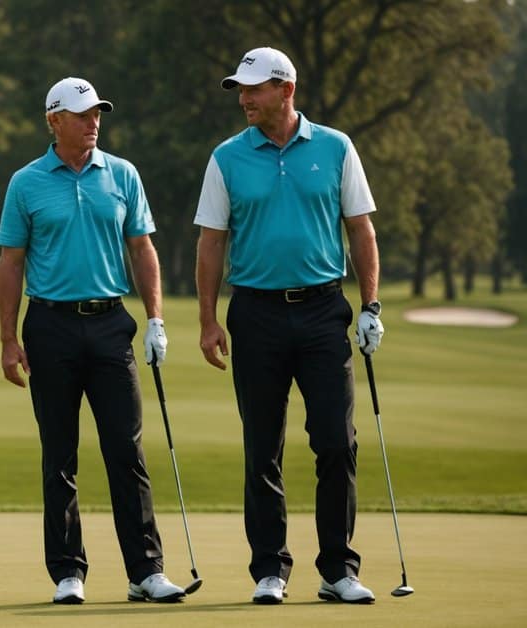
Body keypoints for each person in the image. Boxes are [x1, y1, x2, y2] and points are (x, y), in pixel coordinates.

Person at [194, 46, 384, 605]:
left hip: (324, 311)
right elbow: (210, 243)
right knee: (263, 447)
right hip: (255, 313)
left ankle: (337, 570)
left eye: (254, 89)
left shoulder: (335, 147)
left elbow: (362, 231)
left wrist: (371, 307)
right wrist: (207, 321)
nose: (245, 99)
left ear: (286, 89)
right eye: (240, 90)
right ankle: (270, 570)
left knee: (336, 442)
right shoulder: (227, 157)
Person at [0, 77, 186, 606]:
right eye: (82, 114)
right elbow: (11, 264)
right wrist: (9, 340)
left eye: (97, 112)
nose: (93, 121)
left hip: (109, 324)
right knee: (59, 452)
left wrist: (155, 319)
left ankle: (145, 570)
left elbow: (142, 248)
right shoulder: (26, 182)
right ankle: (68, 572)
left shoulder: (122, 174)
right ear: (54, 121)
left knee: (126, 449)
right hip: (50, 325)